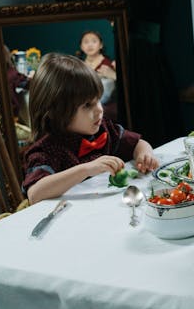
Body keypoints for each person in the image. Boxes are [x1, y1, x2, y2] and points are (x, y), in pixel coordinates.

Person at [22, 53, 158, 204]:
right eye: (87, 105)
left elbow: (138, 144)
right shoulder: (46, 149)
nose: (99, 110)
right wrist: (86, 169)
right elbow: (35, 194)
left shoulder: (103, 129)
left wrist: (145, 155)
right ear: (56, 112)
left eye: (98, 100)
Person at [78, 30, 117, 104]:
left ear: (101, 45)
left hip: (105, 104)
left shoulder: (110, 64)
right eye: (86, 42)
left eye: (94, 41)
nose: (90, 45)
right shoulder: (79, 66)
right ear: (81, 47)